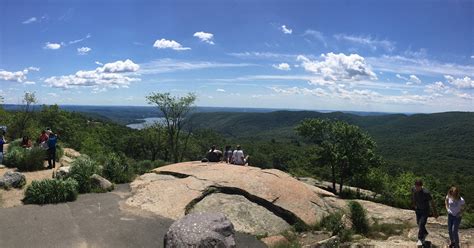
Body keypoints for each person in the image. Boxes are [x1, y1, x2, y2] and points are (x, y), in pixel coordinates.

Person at [412, 179, 438, 246]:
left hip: (425, 211)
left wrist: (435, 212)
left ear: (421, 186)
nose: (417, 188)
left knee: (421, 223)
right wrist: (414, 205)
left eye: (418, 187)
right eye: (416, 186)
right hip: (418, 210)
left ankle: (420, 239)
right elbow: (414, 196)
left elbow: (432, 202)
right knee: (419, 223)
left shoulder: (426, 193)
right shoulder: (414, 189)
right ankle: (425, 233)